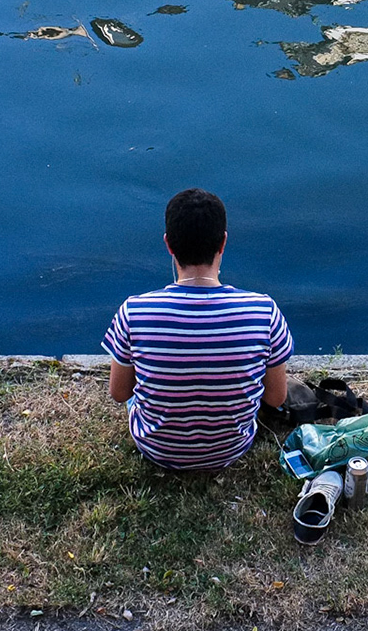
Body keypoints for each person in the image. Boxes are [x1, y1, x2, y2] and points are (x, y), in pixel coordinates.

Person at [102, 187, 291, 469]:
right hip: (232, 449)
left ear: (168, 244)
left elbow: (120, 394)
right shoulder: (263, 311)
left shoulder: (134, 311)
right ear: (223, 243)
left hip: (157, 450)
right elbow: (276, 398)